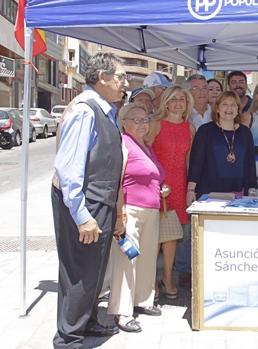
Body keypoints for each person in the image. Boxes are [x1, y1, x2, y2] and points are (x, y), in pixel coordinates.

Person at [51, 52, 128, 348]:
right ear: (102, 78)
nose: (125, 83)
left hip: (101, 199)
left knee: (94, 269)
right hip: (84, 202)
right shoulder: (84, 110)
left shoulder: (105, 109)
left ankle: (88, 322)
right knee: (79, 273)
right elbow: (69, 169)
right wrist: (82, 215)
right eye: (121, 77)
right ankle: (68, 338)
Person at [108, 103, 166, 333]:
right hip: (130, 209)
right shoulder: (123, 144)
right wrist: (119, 215)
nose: (143, 123)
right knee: (126, 260)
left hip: (151, 209)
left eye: (145, 119)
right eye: (137, 119)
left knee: (147, 258)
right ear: (124, 122)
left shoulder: (146, 146)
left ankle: (142, 299)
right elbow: (117, 181)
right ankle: (122, 312)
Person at [148, 86, 196, 296]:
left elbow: (188, 161)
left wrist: (189, 188)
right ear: (166, 102)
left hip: (179, 185)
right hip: (158, 184)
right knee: (153, 235)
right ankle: (150, 280)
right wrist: (156, 183)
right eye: (174, 99)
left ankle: (167, 279)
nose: (178, 103)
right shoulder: (156, 125)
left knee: (172, 236)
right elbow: (146, 155)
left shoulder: (190, 128)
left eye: (182, 100)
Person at [187, 91, 258, 198]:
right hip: (209, 194)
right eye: (225, 104)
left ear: (238, 109)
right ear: (217, 108)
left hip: (239, 193)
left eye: (233, 105)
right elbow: (196, 162)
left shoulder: (245, 133)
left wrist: (252, 190)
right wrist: (191, 190)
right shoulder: (205, 131)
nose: (229, 108)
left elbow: (250, 164)